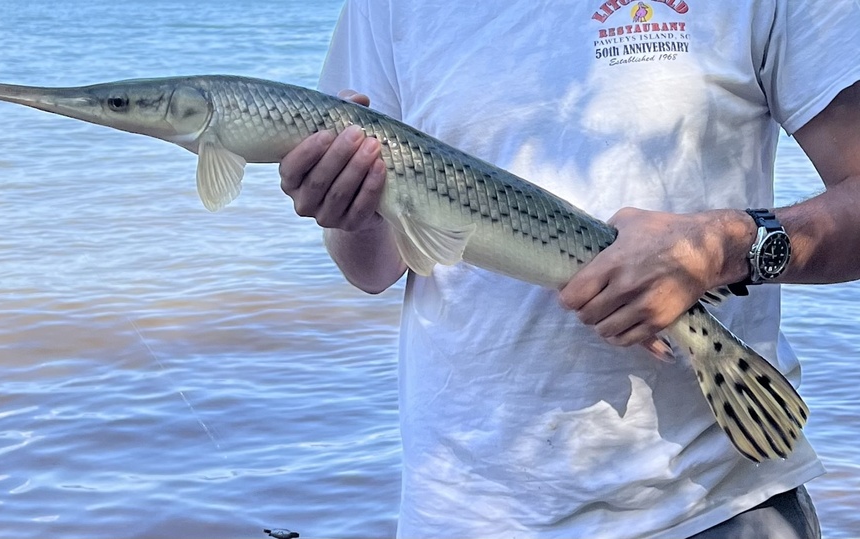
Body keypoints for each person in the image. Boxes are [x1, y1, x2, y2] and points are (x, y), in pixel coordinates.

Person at [279, 1, 860, 537]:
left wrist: (722, 248)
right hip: (457, 512)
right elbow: (372, 267)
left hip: (710, 508)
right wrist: (350, 209)